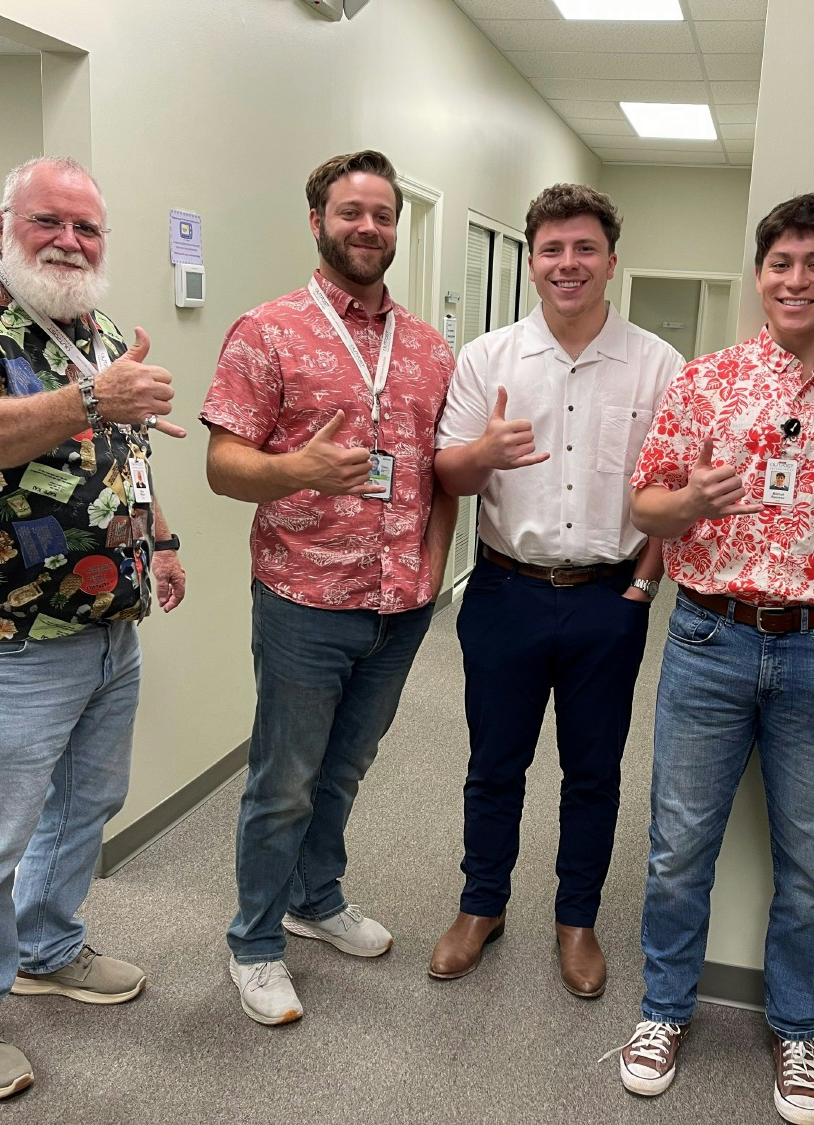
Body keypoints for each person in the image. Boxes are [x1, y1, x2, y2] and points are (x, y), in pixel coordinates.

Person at [608, 193, 814, 1122]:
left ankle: (800, 1029)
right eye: (781, 263)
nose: (795, 280)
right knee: (679, 849)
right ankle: (663, 1010)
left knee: (813, 863)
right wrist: (690, 505)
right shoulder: (706, 381)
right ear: (761, 274)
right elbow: (647, 508)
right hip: (709, 638)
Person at [0, 155, 188, 1101]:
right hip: (4, 632)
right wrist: (92, 399)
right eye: (49, 222)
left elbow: (123, 449)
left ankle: (47, 945)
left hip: (108, 622)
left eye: (87, 228)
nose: (69, 241)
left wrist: (165, 537)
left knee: (87, 805)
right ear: (5, 223)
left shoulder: (94, 329)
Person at [201, 149, 455, 1026]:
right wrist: (295, 467)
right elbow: (222, 466)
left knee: (345, 769)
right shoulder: (267, 331)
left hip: (399, 604)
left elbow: (437, 475)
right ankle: (255, 941)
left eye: (382, 214)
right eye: (351, 212)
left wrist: (429, 571)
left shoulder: (428, 348)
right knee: (285, 779)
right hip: (305, 600)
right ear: (318, 221)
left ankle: (317, 897)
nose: (368, 228)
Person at [429, 184, 681, 997]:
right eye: (552, 249)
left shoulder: (658, 365)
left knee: (594, 769)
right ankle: (481, 905)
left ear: (611, 260)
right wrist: (484, 454)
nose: (567, 264)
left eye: (584, 249)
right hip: (506, 592)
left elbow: (672, 494)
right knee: (494, 761)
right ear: (533, 260)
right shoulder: (488, 358)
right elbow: (447, 471)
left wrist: (643, 587)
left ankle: (577, 920)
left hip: (612, 599)